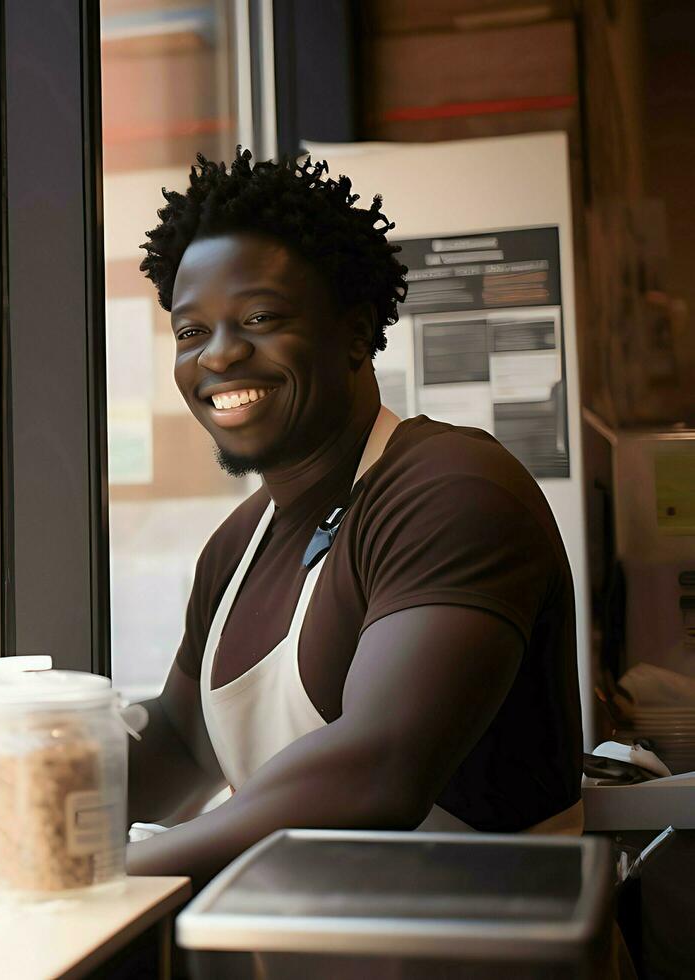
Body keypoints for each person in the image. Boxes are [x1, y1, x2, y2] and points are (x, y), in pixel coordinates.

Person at [124, 150, 585, 885]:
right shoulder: (236, 545)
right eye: (190, 332)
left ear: (352, 330)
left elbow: (380, 766)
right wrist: (18, 792)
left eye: (260, 318)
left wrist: (112, 873)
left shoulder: (451, 490)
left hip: (478, 954)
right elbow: (183, 742)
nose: (221, 354)